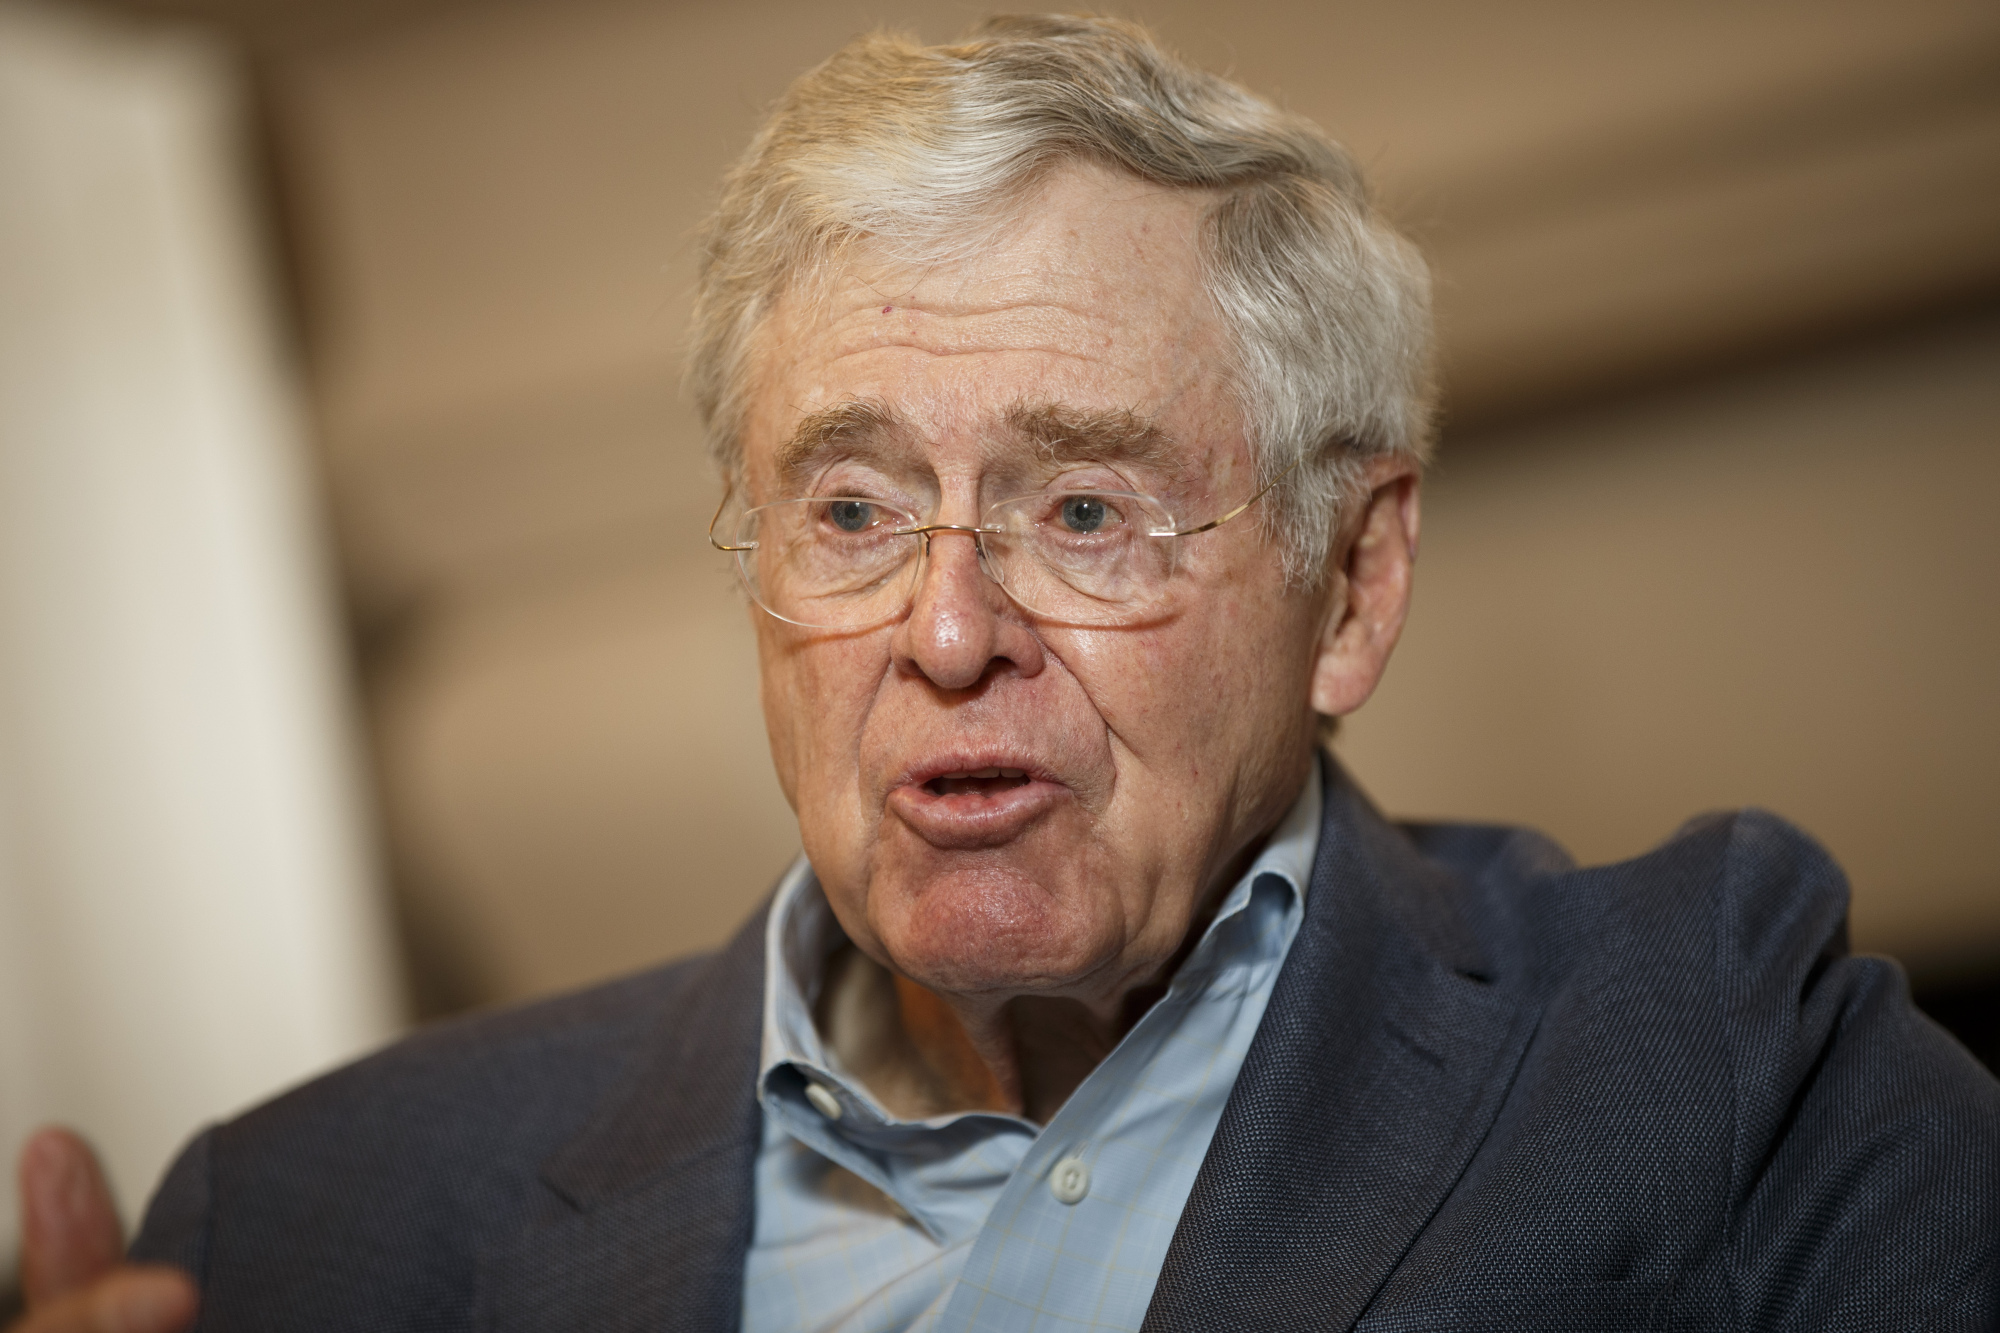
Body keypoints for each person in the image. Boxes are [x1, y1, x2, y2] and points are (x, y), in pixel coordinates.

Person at [10, 15, 1998, 1332]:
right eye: (853, 510)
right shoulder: (309, 1226)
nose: (948, 635)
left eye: (1086, 512)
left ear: (1353, 582)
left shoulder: (1724, 1060)